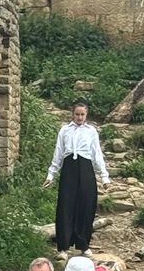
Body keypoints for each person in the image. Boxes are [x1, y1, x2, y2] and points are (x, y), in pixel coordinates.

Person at [44, 99, 110, 253]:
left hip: (86, 169)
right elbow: (58, 153)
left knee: (86, 205)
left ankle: (83, 244)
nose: (80, 118)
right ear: (72, 114)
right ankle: (64, 247)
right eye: (77, 114)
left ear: (86, 115)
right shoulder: (65, 130)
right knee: (66, 205)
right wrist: (51, 175)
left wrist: (104, 177)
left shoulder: (91, 131)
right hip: (69, 170)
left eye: (83, 114)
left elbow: (97, 154)